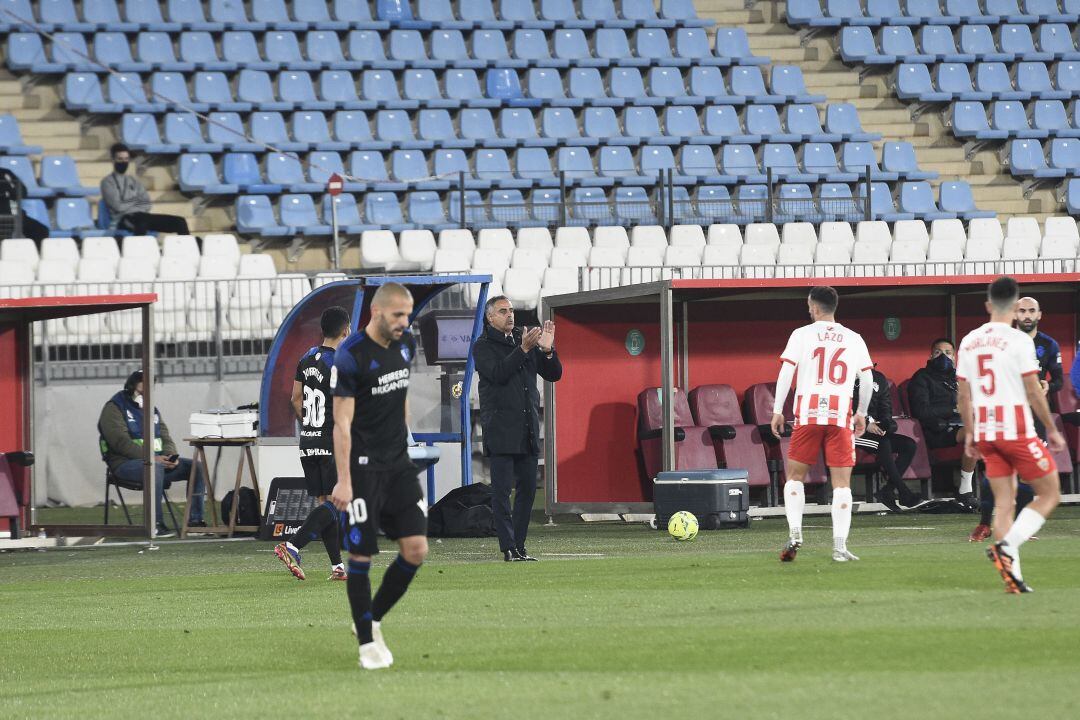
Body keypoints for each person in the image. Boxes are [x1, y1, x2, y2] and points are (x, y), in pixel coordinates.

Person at [330, 283, 427, 671]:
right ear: (377, 312)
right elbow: (341, 423)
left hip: (399, 464)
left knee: (417, 550)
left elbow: (401, 395)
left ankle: (370, 619)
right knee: (361, 554)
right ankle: (367, 643)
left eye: (408, 315)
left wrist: (407, 437)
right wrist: (343, 480)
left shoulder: (407, 346)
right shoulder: (350, 355)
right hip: (363, 470)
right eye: (397, 315)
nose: (405, 322)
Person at [956, 277, 1065, 593]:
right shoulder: (1020, 341)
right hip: (1015, 431)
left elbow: (963, 396)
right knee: (1050, 494)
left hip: (987, 432)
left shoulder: (969, 340)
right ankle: (1007, 547)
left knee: (1004, 503)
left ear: (988, 305)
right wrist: (1053, 428)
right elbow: (1033, 389)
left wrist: (970, 435)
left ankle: (1012, 578)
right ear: (1016, 309)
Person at [771, 286, 874, 563]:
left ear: (813, 307)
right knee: (842, 485)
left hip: (808, 414)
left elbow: (786, 372)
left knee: (794, 477)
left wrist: (778, 409)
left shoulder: (801, 335)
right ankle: (839, 546)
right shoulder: (854, 338)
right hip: (840, 415)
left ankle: (795, 534)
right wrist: (862, 412)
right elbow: (866, 379)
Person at [472, 296, 563, 563]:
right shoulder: (483, 347)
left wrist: (547, 351)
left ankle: (520, 546)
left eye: (511, 310)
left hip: (527, 428)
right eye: (503, 311)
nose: (510, 315)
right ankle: (508, 547)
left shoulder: (525, 342)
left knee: (527, 490)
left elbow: (554, 374)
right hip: (500, 428)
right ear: (490, 318)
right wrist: (523, 350)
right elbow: (498, 373)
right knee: (501, 492)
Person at [969, 296, 1060, 541]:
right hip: (1004, 416)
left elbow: (1059, 378)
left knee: (1028, 474)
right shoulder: (1003, 342)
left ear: (1040, 314)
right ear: (1014, 313)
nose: (1027, 315)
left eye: (1032, 311)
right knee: (993, 473)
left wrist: (1048, 385)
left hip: (1034, 418)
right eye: (1022, 310)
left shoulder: (1049, 345)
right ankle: (984, 523)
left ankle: (1019, 527)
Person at [274, 306, 351, 581]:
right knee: (339, 502)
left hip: (308, 440)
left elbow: (295, 398)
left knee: (325, 504)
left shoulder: (306, 357)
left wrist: (310, 424)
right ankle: (292, 545)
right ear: (346, 330)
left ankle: (337, 567)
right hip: (331, 440)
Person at [97, 370, 206, 537]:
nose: (147, 388)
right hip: (124, 465)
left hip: (158, 463)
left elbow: (165, 436)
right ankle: (154, 524)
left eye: (151, 384)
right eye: (142, 383)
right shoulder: (114, 408)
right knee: (153, 467)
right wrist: (151, 458)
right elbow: (120, 442)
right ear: (132, 385)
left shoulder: (152, 409)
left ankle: (195, 522)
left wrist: (171, 456)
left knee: (196, 467)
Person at [908, 338, 979, 503]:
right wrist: (954, 409)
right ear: (931, 355)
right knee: (974, 435)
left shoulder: (960, 378)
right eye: (939, 353)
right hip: (937, 429)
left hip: (963, 424)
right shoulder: (921, 377)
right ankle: (965, 490)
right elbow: (921, 411)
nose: (944, 357)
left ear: (954, 357)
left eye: (948, 353)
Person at [853, 367, 922, 510]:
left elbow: (886, 408)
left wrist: (884, 424)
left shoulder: (878, 378)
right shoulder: (840, 378)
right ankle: (903, 492)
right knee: (883, 443)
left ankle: (888, 490)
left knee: (909, 445)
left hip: (874, 430)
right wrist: (865, 424)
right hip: (850, 432)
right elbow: (842, 409)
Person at [100, 143, 190, 236]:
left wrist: (128, 203)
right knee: (142, 223)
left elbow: (147, 203)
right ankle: (140, 250)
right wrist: (136, 201)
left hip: (142, 216)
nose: (124, 162)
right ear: (113, 160)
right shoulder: (107, 182)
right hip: (122, 219)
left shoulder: (133, 180)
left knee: (180, 222)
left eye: (126, 159)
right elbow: (118, 207)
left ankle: (189, 248)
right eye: (120, 159)